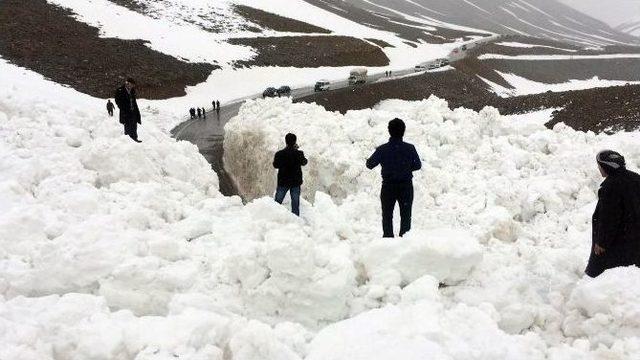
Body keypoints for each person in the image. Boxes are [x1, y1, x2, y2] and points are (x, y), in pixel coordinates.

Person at [585, 150, 640, 277]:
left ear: (606, 166)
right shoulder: (636, 178)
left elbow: (609, 217)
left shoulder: (610, 187)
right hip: (635, 237)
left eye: (599, 166)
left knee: (605, 274)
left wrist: (602, 242)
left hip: (618, 240)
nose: (599, 169)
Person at [366, 118, 421, 238]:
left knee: (387, 215)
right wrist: (405, 168)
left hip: (388, 187)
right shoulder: (410, 148)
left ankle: (388, 240)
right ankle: (405, 241)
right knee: (406, 216)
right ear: (403, 131)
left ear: (389, 131)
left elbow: (369, 164)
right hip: (406, 187)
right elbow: (418, 165)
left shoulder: (382, 149)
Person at [273, 133, 308, 216]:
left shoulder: (279, 154)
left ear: (286, 141)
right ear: (295, 141)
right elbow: (304, 162)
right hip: (295, 183)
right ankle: (295, 220)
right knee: (295, 204)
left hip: (283, 182)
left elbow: (275, 165)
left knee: (277, 203)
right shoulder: (299, 154)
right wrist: (296, 150)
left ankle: (274, 217)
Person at [114, 77, 142, 143]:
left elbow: (134, 102)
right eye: (132, 85)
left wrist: (137, 112)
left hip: (133, 112)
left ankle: (135, 139)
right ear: (127, 83)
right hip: (126, 113)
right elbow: (117, 101)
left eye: (133, 85)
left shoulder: (132, 91)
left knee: (134, 127)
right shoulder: (120, 90)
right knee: (128, 127)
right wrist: (124, 108)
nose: (132, 86)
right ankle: (128, 142)